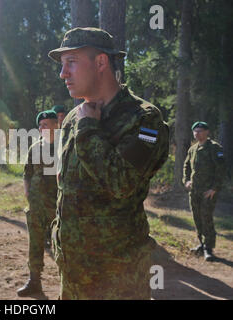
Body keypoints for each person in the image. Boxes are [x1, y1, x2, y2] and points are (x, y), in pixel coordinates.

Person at [48, 27, 169, 299]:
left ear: (101, 62)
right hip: (73, 273)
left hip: (118, 278)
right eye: (62, 65)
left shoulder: (145, 120)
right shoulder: (72, 119)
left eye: (72, 63)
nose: (63, 73)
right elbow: (64, 184)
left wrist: (89, 127)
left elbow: (121, 183)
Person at [17, 110, 59, 298]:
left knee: (62, 245)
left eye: (46, 124)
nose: (42, 128)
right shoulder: (35, 147)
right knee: (35, 244)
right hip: (36, 206)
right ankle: (34, 282)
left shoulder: (63, 147)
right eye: (40, 125)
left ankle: (68, 286)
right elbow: (27, 173)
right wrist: (27, 190)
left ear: (56, 125)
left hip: (58, 207)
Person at [183, 121, 225, 262]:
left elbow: (221, 170)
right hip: (194, 191)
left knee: (206, 218)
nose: (197, 133)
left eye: (200, 131)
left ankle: (209, 248)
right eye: (195, 131)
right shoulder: (192, 149)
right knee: (197, 218)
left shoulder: (215, 148)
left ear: (207, 132)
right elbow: (186, 166)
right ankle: (201, 244)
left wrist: (214, 188)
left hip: (208, 192)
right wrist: (186, 180)